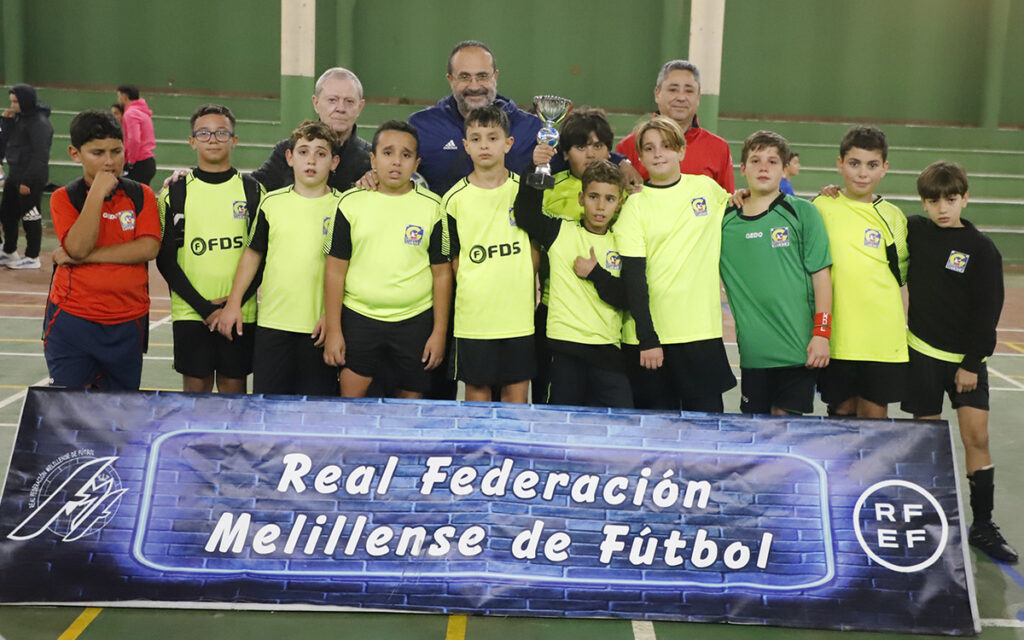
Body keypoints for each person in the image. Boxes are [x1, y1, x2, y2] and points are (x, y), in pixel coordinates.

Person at [901, 161, 1017, 564]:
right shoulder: (914, 230)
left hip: (966, 362)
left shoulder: (983, 250)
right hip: (921, 355)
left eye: (950, 200)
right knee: (928, 443)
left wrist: (971, 362)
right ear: (924, 203)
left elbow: (988, 311)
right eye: (933, 201)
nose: (942, 208)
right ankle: (929, 523)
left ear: (965, 198)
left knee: (977, 438)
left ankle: (982, 525)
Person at [322, 121, 452, 398]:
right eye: (388, 153)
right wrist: (334, 331)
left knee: (408, 414)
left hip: (415, 321)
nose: (396, 162)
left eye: (406, 155)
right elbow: (334, 270)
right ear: (373, 159)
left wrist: (439, 333)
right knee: (351, 407)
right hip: (359, 318)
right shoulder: (349, 203)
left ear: (416, 164)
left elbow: (442, 274)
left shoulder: (433, 207)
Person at [615, 116, 735, 412]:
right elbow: (633, 278)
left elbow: (739, 205)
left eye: (666, 146)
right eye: (650, 148)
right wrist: (647, 338)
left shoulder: (707, 189)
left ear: (681, 151)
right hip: (651, 340)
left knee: (707, 431)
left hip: (700, 334)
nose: (658, 154)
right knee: (656, 435)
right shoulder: (634, 206)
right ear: (639, 156)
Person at [214, 120, 342, 396]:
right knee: (269, 408)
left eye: (321, 154)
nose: (311, 161)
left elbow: (350, 269)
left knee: (314, 413)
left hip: (319, 329)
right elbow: (252, 254)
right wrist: (234, 303)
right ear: (289, 158)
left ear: (334, 162)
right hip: (273, 326)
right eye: (304, 152)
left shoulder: (345, 207)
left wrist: (332, 317)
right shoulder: (271, 203)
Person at [43, 109, 160, 389]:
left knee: (119, 415)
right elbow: (79, 246)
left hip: (127, 322)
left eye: (116, 151)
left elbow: (148, 248)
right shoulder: (65, 198)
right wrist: (96, 192)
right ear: (75, 153)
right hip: (73, 321)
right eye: (98, 153)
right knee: (69, 411)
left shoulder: (140, 195)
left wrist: (81, 258)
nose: (109, 162)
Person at [720, 131, 832, 415]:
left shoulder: (802, 213)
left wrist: (822, 334)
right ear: (742, 169)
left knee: (785, 431)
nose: (763, 167)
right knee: (756, 438)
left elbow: (821, 277)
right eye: (755, 160)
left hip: (798, 350)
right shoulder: (725, 220)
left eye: (772, 161)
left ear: (784, 169)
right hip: (754, 354)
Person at [156, 104, 264, 394]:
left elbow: (262, 258)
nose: (213, 139)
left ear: (234, 139)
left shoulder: (253, 191)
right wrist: (206, 309)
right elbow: (166, 260)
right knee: (196, 392)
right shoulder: (175, 192)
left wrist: (232, 305)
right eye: (203, 133)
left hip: (240, 311)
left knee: (234, 389)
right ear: (192, 141)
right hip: (191, 312)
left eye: (221, 132)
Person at [515, 157, 631, 407]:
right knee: (557, 426)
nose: (600, 206)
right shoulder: (560, 232)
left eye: (609, 199)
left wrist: (596, 273)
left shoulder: (623, 241)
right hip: (564, 349)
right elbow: (526, 214)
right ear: (581, 199)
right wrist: (535, 167)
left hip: (607, 348)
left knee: (622, 424)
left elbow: (626, 297)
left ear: (620, 203)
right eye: (593, 197)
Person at [442, 105, 535, 403]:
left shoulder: (525, 190)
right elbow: (453, 259)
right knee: (476, 393)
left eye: (493, 138)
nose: (485, 145)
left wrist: (524, 278)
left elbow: (536, 247)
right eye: (477, 138)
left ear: (508, 144)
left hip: (517, 315)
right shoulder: (453, 199)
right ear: (466, 146)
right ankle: (476, 452)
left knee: (516, 394)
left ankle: (512, 452)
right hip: (475, 316)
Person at [814, 125, 908, 418]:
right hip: (838, 336)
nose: (862, 173)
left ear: (884, 168)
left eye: (872, 165)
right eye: (854, 163)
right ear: (840, 164)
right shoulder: (820, 207)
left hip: (882, 338)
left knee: (874, 419)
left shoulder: (893, 217)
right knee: (840, 413)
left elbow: (901, 275)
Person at [531, 106, 617, 403]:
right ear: (565, 153)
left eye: (598, 146)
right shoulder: (549, 189)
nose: (591, 154)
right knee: (552, 404)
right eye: (581, 146)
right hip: (556, 313)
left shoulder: (625, 194)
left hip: (608, 316)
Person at [408, 40, 543, 197]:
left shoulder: (531, 129)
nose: (474, 86)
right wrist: (373, 176)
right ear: (450, 80)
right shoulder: (422, 126)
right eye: (465, 77)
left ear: (495, 77)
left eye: (482, 76)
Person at [614, 60, 734, 192]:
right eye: (673, 90)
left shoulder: (719, 148)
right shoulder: (629, 145)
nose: (681, 97)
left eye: (689, 91)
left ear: (698, 96)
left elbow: (727, 205)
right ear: (657, 94)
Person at [252, 67, 371, 192]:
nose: (340, 108)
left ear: (360, 107)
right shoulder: (287, 151)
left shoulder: (372, 161)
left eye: (349, 101)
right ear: (316, 103)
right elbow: (252, 189)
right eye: (332, 100)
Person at [0, 84, 53, 269]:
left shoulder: (40, 123)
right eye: (12, 101)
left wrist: (28, 181)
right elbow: (7, 142)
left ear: (25, 101)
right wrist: (6, 123)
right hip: (15, 173)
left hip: (31, 177)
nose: (13, 105)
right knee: (7, 213)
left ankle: (32, 256)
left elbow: (40, 155)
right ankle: (9, 251)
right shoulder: (18, 119)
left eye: (16, 101)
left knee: (31, 216)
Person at [117, 85, 157, 186]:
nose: (118, 100)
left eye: (119, 97)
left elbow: (134, 139)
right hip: (148, 162)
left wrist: (130, 162)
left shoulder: (130, 114)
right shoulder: (142, 112)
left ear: (125, 97)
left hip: (139, 163)